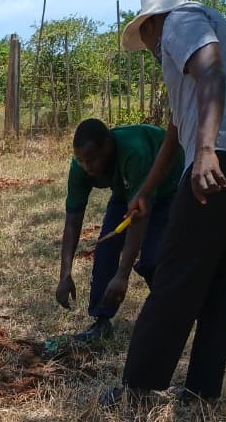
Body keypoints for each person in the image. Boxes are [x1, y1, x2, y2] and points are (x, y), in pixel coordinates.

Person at [104, 0, 226, 406]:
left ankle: (138, 388)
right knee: (222, 281)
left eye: (145, 38)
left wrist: (206, 150)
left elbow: (212, 71)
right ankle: (201, 392)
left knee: (175, 275)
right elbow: (176, 131)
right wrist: (146, 190)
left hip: (218, 158)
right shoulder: (205, 35)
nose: (148, 49)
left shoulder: (180, 22)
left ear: (151, 25)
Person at [54, 118, 183, 346]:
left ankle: (169, 314)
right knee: (105, 250)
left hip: (166, 187)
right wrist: (65, 274)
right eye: (82, 160)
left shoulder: (135, 152)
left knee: (152, 259)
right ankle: (101, 321)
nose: (87, 167)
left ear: (108, 146)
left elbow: (140, 217)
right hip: (126, 190)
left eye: (92, 159)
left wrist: (122, 275)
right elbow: (73, 220)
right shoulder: (80, 167)